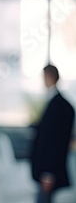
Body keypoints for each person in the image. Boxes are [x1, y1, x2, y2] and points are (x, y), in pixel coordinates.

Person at [30, 64, 75, 203]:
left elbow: (54, 142)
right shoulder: (55, 102)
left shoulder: (60, 106)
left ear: (49, 77)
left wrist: (49, 172)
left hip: (50, 170)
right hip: (47, 168)